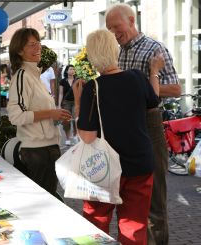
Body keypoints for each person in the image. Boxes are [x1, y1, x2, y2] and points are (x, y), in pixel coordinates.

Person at [77, 29, 164, 245]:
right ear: (114, 50)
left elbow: (87, 137)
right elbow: (153, 101)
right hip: (139, 164)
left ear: (93, 56)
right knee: (134, 227)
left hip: (103, 168)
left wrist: (79, 103)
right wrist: (154, 72)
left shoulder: (92, 88)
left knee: (95, 225)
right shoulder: (137, 77)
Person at [105, 4, 181, 244]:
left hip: (148, 124)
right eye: (109, 29)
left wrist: (142, 86)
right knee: (129, 196)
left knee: (154, 199)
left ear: (131, 20)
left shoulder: (154, 48)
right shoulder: (115, 52)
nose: (114, 33)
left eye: (117, 27)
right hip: (120, 127)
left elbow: (176, 88)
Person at [6, 27, 72, 199]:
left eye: (39, 43)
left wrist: (55, 116)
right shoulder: (22, 76)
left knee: (48, 199)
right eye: (32, 44)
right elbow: (16, 116)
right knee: (44, 201)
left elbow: (38, 111)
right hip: (36, 151)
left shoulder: (35, 76)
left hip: (48, 148)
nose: (38, 48)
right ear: (19, 50)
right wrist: (51, 113)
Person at [58, 64, 77, 145]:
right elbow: (61, 94)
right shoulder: (62, 81)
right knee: (66, 120)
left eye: (73, 69)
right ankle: (68, 138)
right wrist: (59, 104)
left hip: (75, 102)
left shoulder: (77, 80)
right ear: (66, 71)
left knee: (75, 120)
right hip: (66, 102)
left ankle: (76, 136)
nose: (72, 70)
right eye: (70, 69)